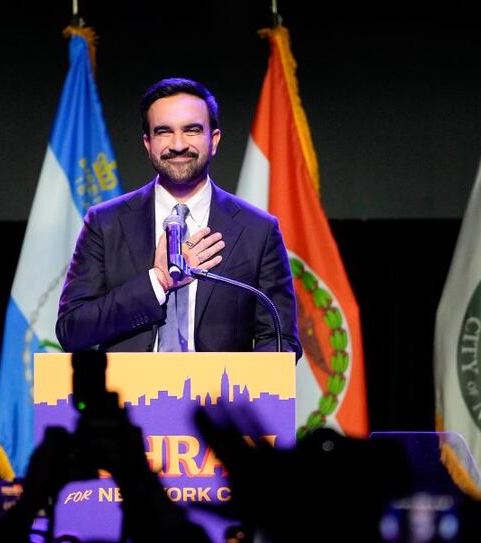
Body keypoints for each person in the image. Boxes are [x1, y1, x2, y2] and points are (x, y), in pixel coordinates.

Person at [56, 77, 301, 356]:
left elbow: (280, 341)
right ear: (148, 143)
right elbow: (72, 330)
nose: (178, 144)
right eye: (164, 132)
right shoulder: (105, 223)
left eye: (192, 130)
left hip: (220, 398)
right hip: (125, 398)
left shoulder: (258, 230)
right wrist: (158, 281)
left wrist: (231, 389)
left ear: (214, 139)